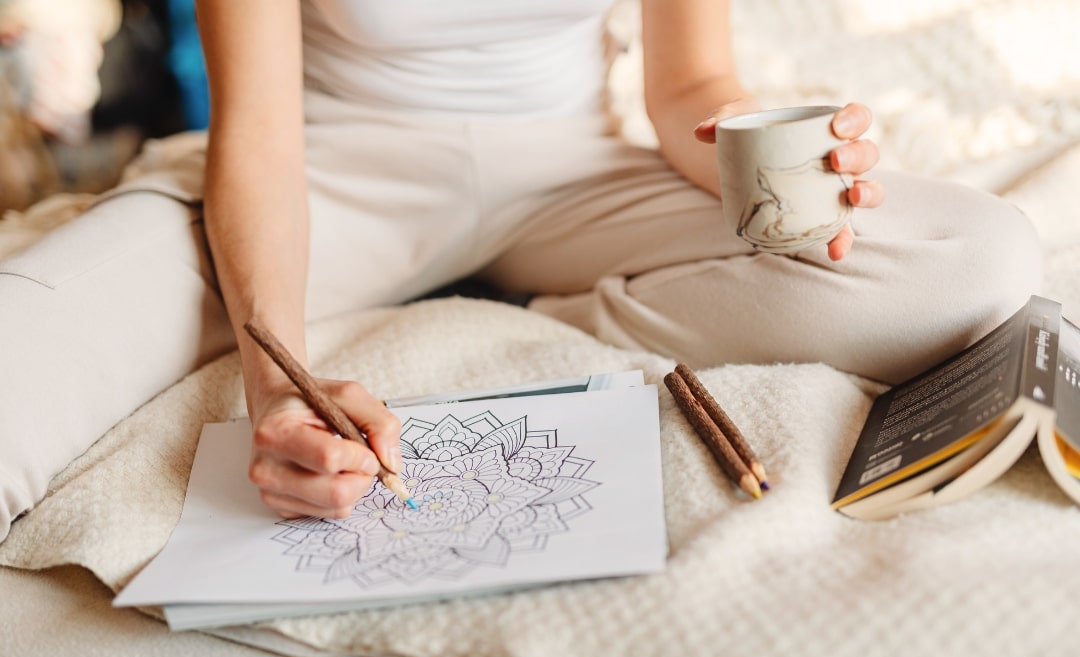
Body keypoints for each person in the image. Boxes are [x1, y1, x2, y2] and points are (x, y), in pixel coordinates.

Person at [0, 0, 1042, 540]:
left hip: (570, 174)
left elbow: (691, 85)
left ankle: (563, 307)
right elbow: (258, 137)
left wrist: (784, 169)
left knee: (974, 258)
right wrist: (280, 387)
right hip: (326, 175)